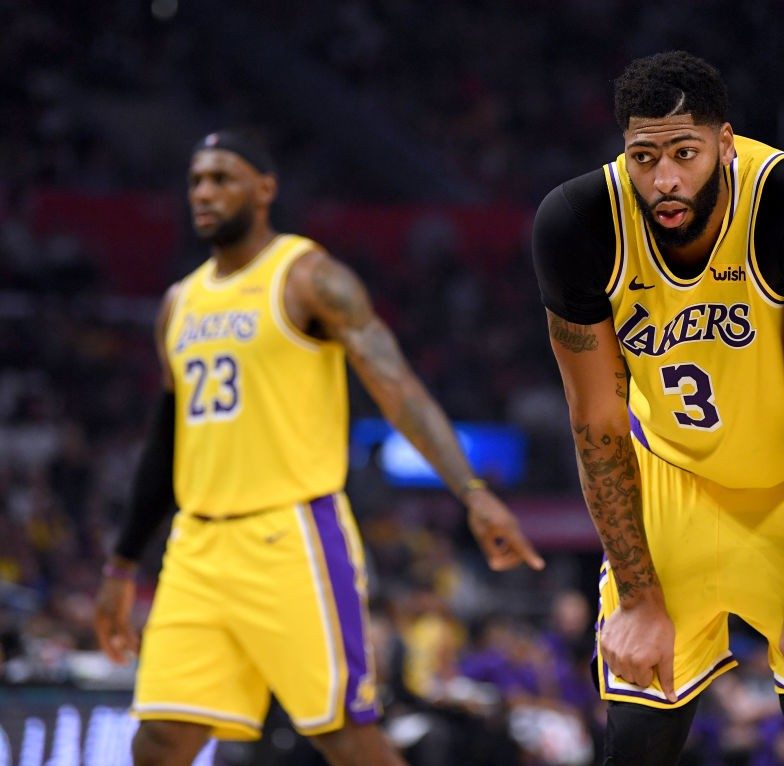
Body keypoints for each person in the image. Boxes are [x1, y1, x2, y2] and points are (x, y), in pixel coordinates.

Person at [93, 129, 544, 766]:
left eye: (223, 177)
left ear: (265, 188)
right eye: (196, 180)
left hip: (291, 535)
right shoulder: (178, 304)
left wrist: (471, 491)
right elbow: (165, 442)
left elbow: (398, 387)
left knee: (345, 736)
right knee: (160, 739)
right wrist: (121, 564)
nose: (204, 192)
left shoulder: (309, 276)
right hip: (196, 547)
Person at [531, 51, 784, 765]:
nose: (664, 179)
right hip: (674, 470)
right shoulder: (578, 225)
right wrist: (637, 600)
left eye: (685, 153)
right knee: (635, 740)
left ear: (725, 143)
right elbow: (597, 425)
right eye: (644, 156)